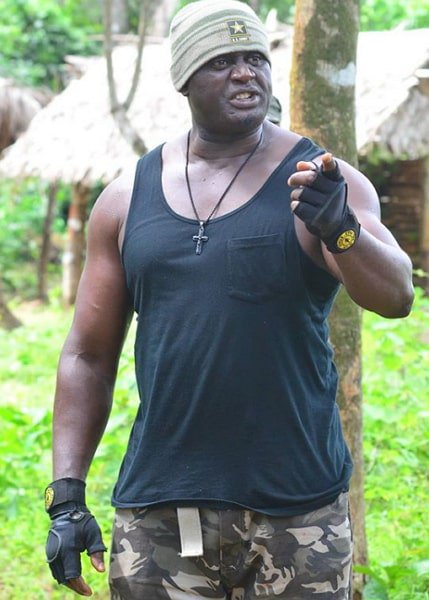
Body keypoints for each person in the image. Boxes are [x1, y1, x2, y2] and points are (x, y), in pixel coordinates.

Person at [44, 1, 414, 598]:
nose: (245, 73)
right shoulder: (125, 199)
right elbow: (87, 355)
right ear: (185, 79)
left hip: (298, 513)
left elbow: (396, 295)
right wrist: (66, 497)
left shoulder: (321, 180)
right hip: (161, 511)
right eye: (222, 61)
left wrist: (340, 227)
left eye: (255, 59)